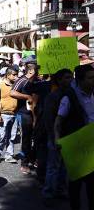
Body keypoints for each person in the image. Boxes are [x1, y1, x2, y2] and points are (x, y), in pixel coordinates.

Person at [54, 64, 94, 210]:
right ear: (81, 81)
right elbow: (58, 121)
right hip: (76, 145)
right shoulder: (69, 97)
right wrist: (57, 140)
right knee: (76, 183)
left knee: (91, 182)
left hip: (92, 144)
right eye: (90, 78)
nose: (93, 80)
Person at [41, 69, 73, 206]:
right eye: (66, 77)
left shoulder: (73, 94)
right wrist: (54, 136)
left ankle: (61, 190)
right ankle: (48, 194)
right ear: (59, 80)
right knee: (53, 167)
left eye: (71, 77)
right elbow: (49, 119)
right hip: (56, 136)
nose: (70, 80)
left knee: (64, 167)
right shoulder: (53, 96)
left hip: (69, 136)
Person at [10, 63, 37, 174]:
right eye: (37, 72)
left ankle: (33, 158)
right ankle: (24, 163)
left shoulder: (36, 81)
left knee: (36, 138)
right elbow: (12, 92)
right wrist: (27, 96)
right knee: (26, 139)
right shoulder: (21, 80)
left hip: (36, 113)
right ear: (30, 71)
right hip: (25, 114)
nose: (39, 74)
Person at [0, 66, 19, 164]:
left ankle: (9, 155)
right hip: (3, 114)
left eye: (17, 74)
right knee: (1, 136)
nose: (16, 76)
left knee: (12, 137)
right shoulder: (0, 85)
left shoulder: (17, 85)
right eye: (14, 75)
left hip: (14, 114)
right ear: (8, 75)